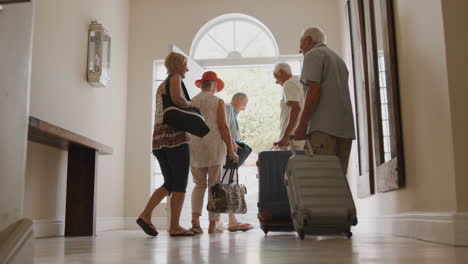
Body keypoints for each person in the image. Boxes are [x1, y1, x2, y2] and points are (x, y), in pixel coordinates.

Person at [136, 52, 196, 237]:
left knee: (169, 182)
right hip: (174, 136)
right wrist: (191, 105)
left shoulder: (163, 84)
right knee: (180, 182)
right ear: (178, 65)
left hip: (159, 138)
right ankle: (175, 226)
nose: (187, 68)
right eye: (185, 64)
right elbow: (178, 100)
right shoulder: (176, 78)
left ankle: (145, 215)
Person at [294, 27, 356, 174]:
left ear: (308, 39)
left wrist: (302, 125)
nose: (300, 49)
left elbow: (314, 89)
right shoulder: (338, 59)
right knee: (338, 182)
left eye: (300, 42)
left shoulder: (313, 55)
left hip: (323, 129)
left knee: (323, 181)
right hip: (345, 129)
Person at [189, 71, 240, 234]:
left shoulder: (192, 101)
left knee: (199, 185)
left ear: (202, 85)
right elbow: (223, 127)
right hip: (214, 149)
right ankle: (212, 224)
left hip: (194, 148)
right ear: (215, 85)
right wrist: (231, 150)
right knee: (214, 187)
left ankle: (195, 221)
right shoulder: (218, 101)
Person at [222, 92, 254, 232]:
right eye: (244, 104)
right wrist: (233, 144)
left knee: (229, 183)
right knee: (230, 184)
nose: (244, 108)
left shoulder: (232, 112)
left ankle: (229, 220)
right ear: (237, 100)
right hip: (228, 153)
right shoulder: (228, 108)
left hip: (229, 153)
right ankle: (232, 221)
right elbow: (225, 128)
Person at [272, 62, 304, 149]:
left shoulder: (288, 84)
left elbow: (296, 109)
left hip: (291, 137)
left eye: (276, 77)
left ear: (280, 73)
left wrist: (286, 136)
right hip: (299, 134)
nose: (276, 82)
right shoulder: (299, 81)